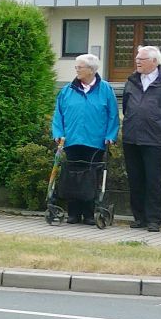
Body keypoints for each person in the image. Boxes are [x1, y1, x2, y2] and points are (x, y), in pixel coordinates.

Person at [51, 53, 119, 225]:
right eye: (76, 67)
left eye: (79, 67)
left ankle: (89, 214)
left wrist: (111, 135)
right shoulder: (67, 90)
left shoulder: (106, 89)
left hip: (95, 142)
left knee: (91, 178)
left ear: (91, 70)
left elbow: (113, 115)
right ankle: (73, 213)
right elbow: (58, 114)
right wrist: (58, 132)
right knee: (72, 177)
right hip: (72, 140)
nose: (77, 70)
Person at [121, 45, 161, 231]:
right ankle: (139, 218)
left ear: (154, 61)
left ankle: (153, 220)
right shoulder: (132, 80)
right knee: (135, 179)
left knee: (153, 181)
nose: (137, 62)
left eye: (142, 59)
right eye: (137, 58)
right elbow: (126, 107)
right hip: (131, 138)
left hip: (154, 140)